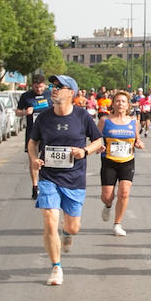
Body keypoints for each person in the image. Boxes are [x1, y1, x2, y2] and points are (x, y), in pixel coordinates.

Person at [26, 74, 103, 285]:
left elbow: (98, 140)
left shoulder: (82, 117)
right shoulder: (44, 117)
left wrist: (85, 151)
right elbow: (33, 143)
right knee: (50, 220)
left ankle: (68, 233)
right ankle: (56, 268)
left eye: (59, 86)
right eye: (53, 85)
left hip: (74, 178)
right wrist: (34, 159)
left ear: (72, 93)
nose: (54, 88)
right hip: (49, 177)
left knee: (73, 227)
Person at [98, 90, 144, 236]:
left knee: (124, 193)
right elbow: (96, 138)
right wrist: (99, 145)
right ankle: (108, 205)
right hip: (109, 161)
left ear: (128, 105)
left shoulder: (133, 121)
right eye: (117, 101)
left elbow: (137, 139)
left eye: (123, 101)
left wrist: (139, 143)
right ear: (113, 103)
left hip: (127, 161)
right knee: (107, 196)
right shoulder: (105, 120)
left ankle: (117, 224)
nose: (120, 104)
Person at [16, 73, 51, 199]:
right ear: (32, 86)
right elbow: (17, 112)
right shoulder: (26, 96)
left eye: (41, 87)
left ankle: (47, 184)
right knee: (33, 160)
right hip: (32, 132)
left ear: (45, 85)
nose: (39, 90)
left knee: (48, 159)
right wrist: (25, 112)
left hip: (49, 132)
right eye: (36, 87)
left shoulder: (50, 95)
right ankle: (35, 186)